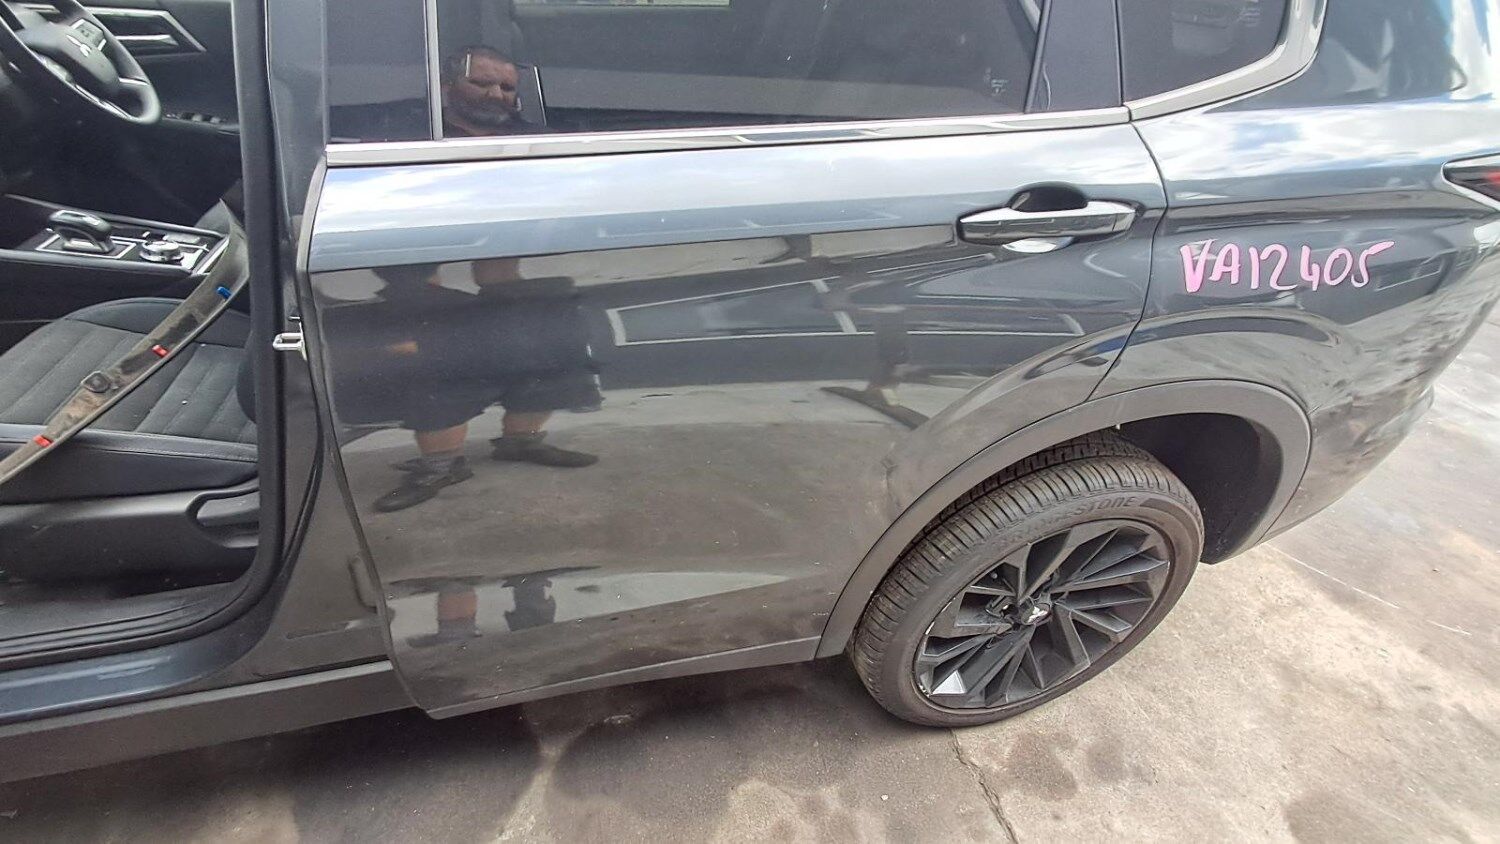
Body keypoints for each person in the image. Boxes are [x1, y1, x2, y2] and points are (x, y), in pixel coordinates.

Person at [441, 45, 542, 137]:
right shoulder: (432, 136)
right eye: (482, 83)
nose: (497, 95)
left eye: (507, 88)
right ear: (447, 84)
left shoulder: (538, 138)